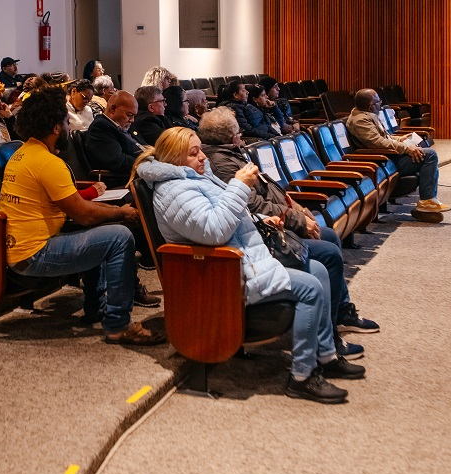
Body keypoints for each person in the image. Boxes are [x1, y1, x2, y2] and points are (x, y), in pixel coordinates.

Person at [132, 127, 365, 404]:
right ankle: (303, 376)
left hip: (243, 260)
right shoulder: (173, 191)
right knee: (311, 288)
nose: (203, 157)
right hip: (222, 275)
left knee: (319, 270)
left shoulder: (194, 177)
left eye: (201, 150)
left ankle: (325, 355)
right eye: (193, 153)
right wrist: (239, 185)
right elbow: (214, 229)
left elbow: (227, 216)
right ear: (173, 159)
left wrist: (259, 220)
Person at [0, 88, 163, 345]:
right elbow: (83, 214)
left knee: (98, 235)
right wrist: (122, 212)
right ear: (55, 128)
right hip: (34, 254)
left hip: (23, 248)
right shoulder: (48, 163)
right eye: (65, 122)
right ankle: (119, 325)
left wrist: (117, 213)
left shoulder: (22, 154)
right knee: (119, 237)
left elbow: (79, 211)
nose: (67, 127)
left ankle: (95, 307)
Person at [198, 107, 379, 336]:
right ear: (229, 136)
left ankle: (341, 312)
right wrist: (297, 220)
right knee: (329, 250)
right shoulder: (222, 163)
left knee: (329, 236)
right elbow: (254, 205)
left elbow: (268, 189)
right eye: (238, 131)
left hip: (273, 221)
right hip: (262, 232)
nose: (242, 135)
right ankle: (332, 328)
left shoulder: (231, 154)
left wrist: (298, 209)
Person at [346, 89, 451, 214]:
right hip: (382, 162)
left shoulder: (366, 115)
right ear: (370, 106)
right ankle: (427, 201)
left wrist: (399, 139)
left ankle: (429, 200)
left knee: (424, 152)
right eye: (378, 101)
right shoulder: (360, 120)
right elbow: (377, 143)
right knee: (429, 155)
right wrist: (406, 148)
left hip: (388, 157)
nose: (381, 104)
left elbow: (383, 138)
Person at [84, 91, 147, 187]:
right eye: (129, 115)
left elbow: (144, 146)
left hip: (142, 173)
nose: (132, 120)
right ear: (113, 109)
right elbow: (118, 162)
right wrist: (147, 163)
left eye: (134, 116)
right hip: (125, 180)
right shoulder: (100, 127)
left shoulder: (124, 125)